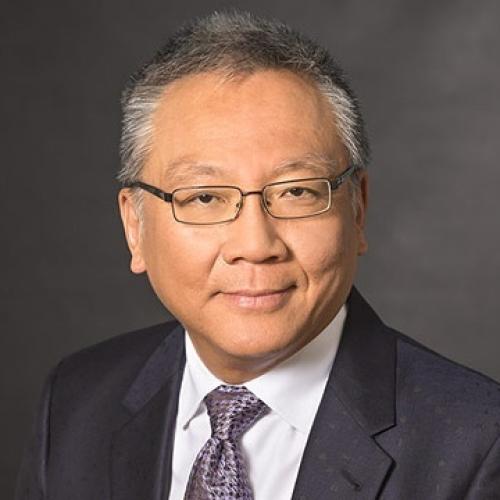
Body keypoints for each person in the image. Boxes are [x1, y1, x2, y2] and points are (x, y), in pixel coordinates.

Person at [16, 11, 500, 500]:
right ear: (135, 227)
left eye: (296, 192)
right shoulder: (76, 404)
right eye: (204, 197)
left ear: (357, 210)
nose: (255, 245)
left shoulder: (477, 443)